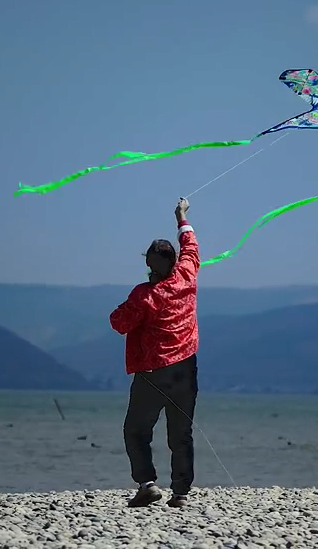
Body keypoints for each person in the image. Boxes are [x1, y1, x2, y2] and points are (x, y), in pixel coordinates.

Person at [109, 196, 200, 508]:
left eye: (149, 263)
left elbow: (118, 323)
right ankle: (181, 494)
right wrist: (181, 216)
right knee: (181, 433)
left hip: (152, 372)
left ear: (154, 263)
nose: (147, 267)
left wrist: (125, 308)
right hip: (186, 369)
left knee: (135, 430)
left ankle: (147, 483)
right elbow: (190, 245)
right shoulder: (187, 274)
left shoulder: (145, 296)